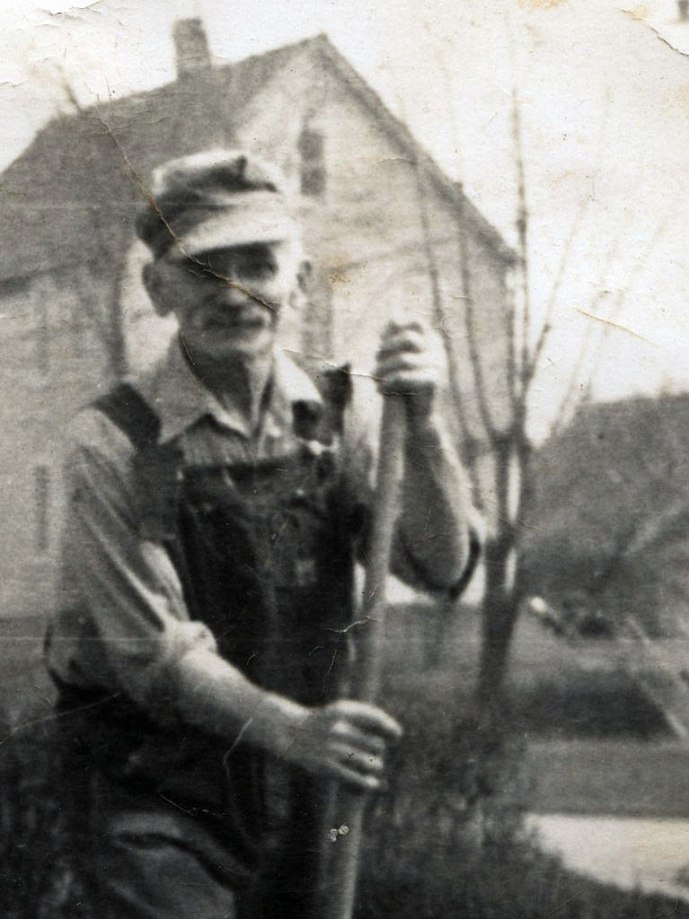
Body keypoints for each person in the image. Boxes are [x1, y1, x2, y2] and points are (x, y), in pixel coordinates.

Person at [46, 149, 480, 919]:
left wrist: (425, 424)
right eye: (204, 268)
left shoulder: (337, 414)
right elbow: (157, 655)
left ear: (299, 281)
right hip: (154, 790)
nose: (234, 291)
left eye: (258, 264)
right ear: (158, 288)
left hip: (296, 781)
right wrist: (296, 729)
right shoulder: (118, 440)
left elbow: (440, 568)